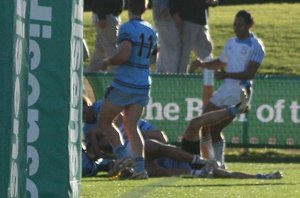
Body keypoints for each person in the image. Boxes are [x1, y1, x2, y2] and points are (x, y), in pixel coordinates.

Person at [182, 10, 266, 168]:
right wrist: (202, 64)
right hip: (225, 88)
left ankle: (219, 164)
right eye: (235, 25)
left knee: (215, 129)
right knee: (202, 124)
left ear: (249, 25)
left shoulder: (255, 45)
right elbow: (220, 62)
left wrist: (226, 74)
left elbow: (250, 73)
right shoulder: (231, 42)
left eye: (240, 25)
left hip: (240, 91)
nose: (236, 28)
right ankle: (209, 161)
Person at [85, 0, 157, 180]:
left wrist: (108, 62)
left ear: (128, 7)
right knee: (132, 127)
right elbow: (153, 59)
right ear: (145, 8)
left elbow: (124, 54)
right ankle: (140, 169)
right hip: (143, 83)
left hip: (126, 82)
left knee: (105, 122)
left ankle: (123, 157)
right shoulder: (151, 30)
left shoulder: (127, 28)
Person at [169, 0, 218, 73]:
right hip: (186, 20)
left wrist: (213, 1)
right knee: (183, 56)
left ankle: (212, 78)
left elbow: (213, 2)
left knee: (206, 54)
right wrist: (175, 14)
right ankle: (178, 80)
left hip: (201, 20)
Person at [87, 0, 125, 72]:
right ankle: (117, 72)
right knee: (111, 47)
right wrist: (102, 16)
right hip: (107, 16)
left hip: (107, 15)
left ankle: (92, 71)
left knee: (100, 49)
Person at [151, 0, 180, 73]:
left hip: (162, 19)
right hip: (167, 21)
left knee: (164, 49)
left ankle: (160, 74)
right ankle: (170, 75)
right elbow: (164, 9)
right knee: (171, 50)